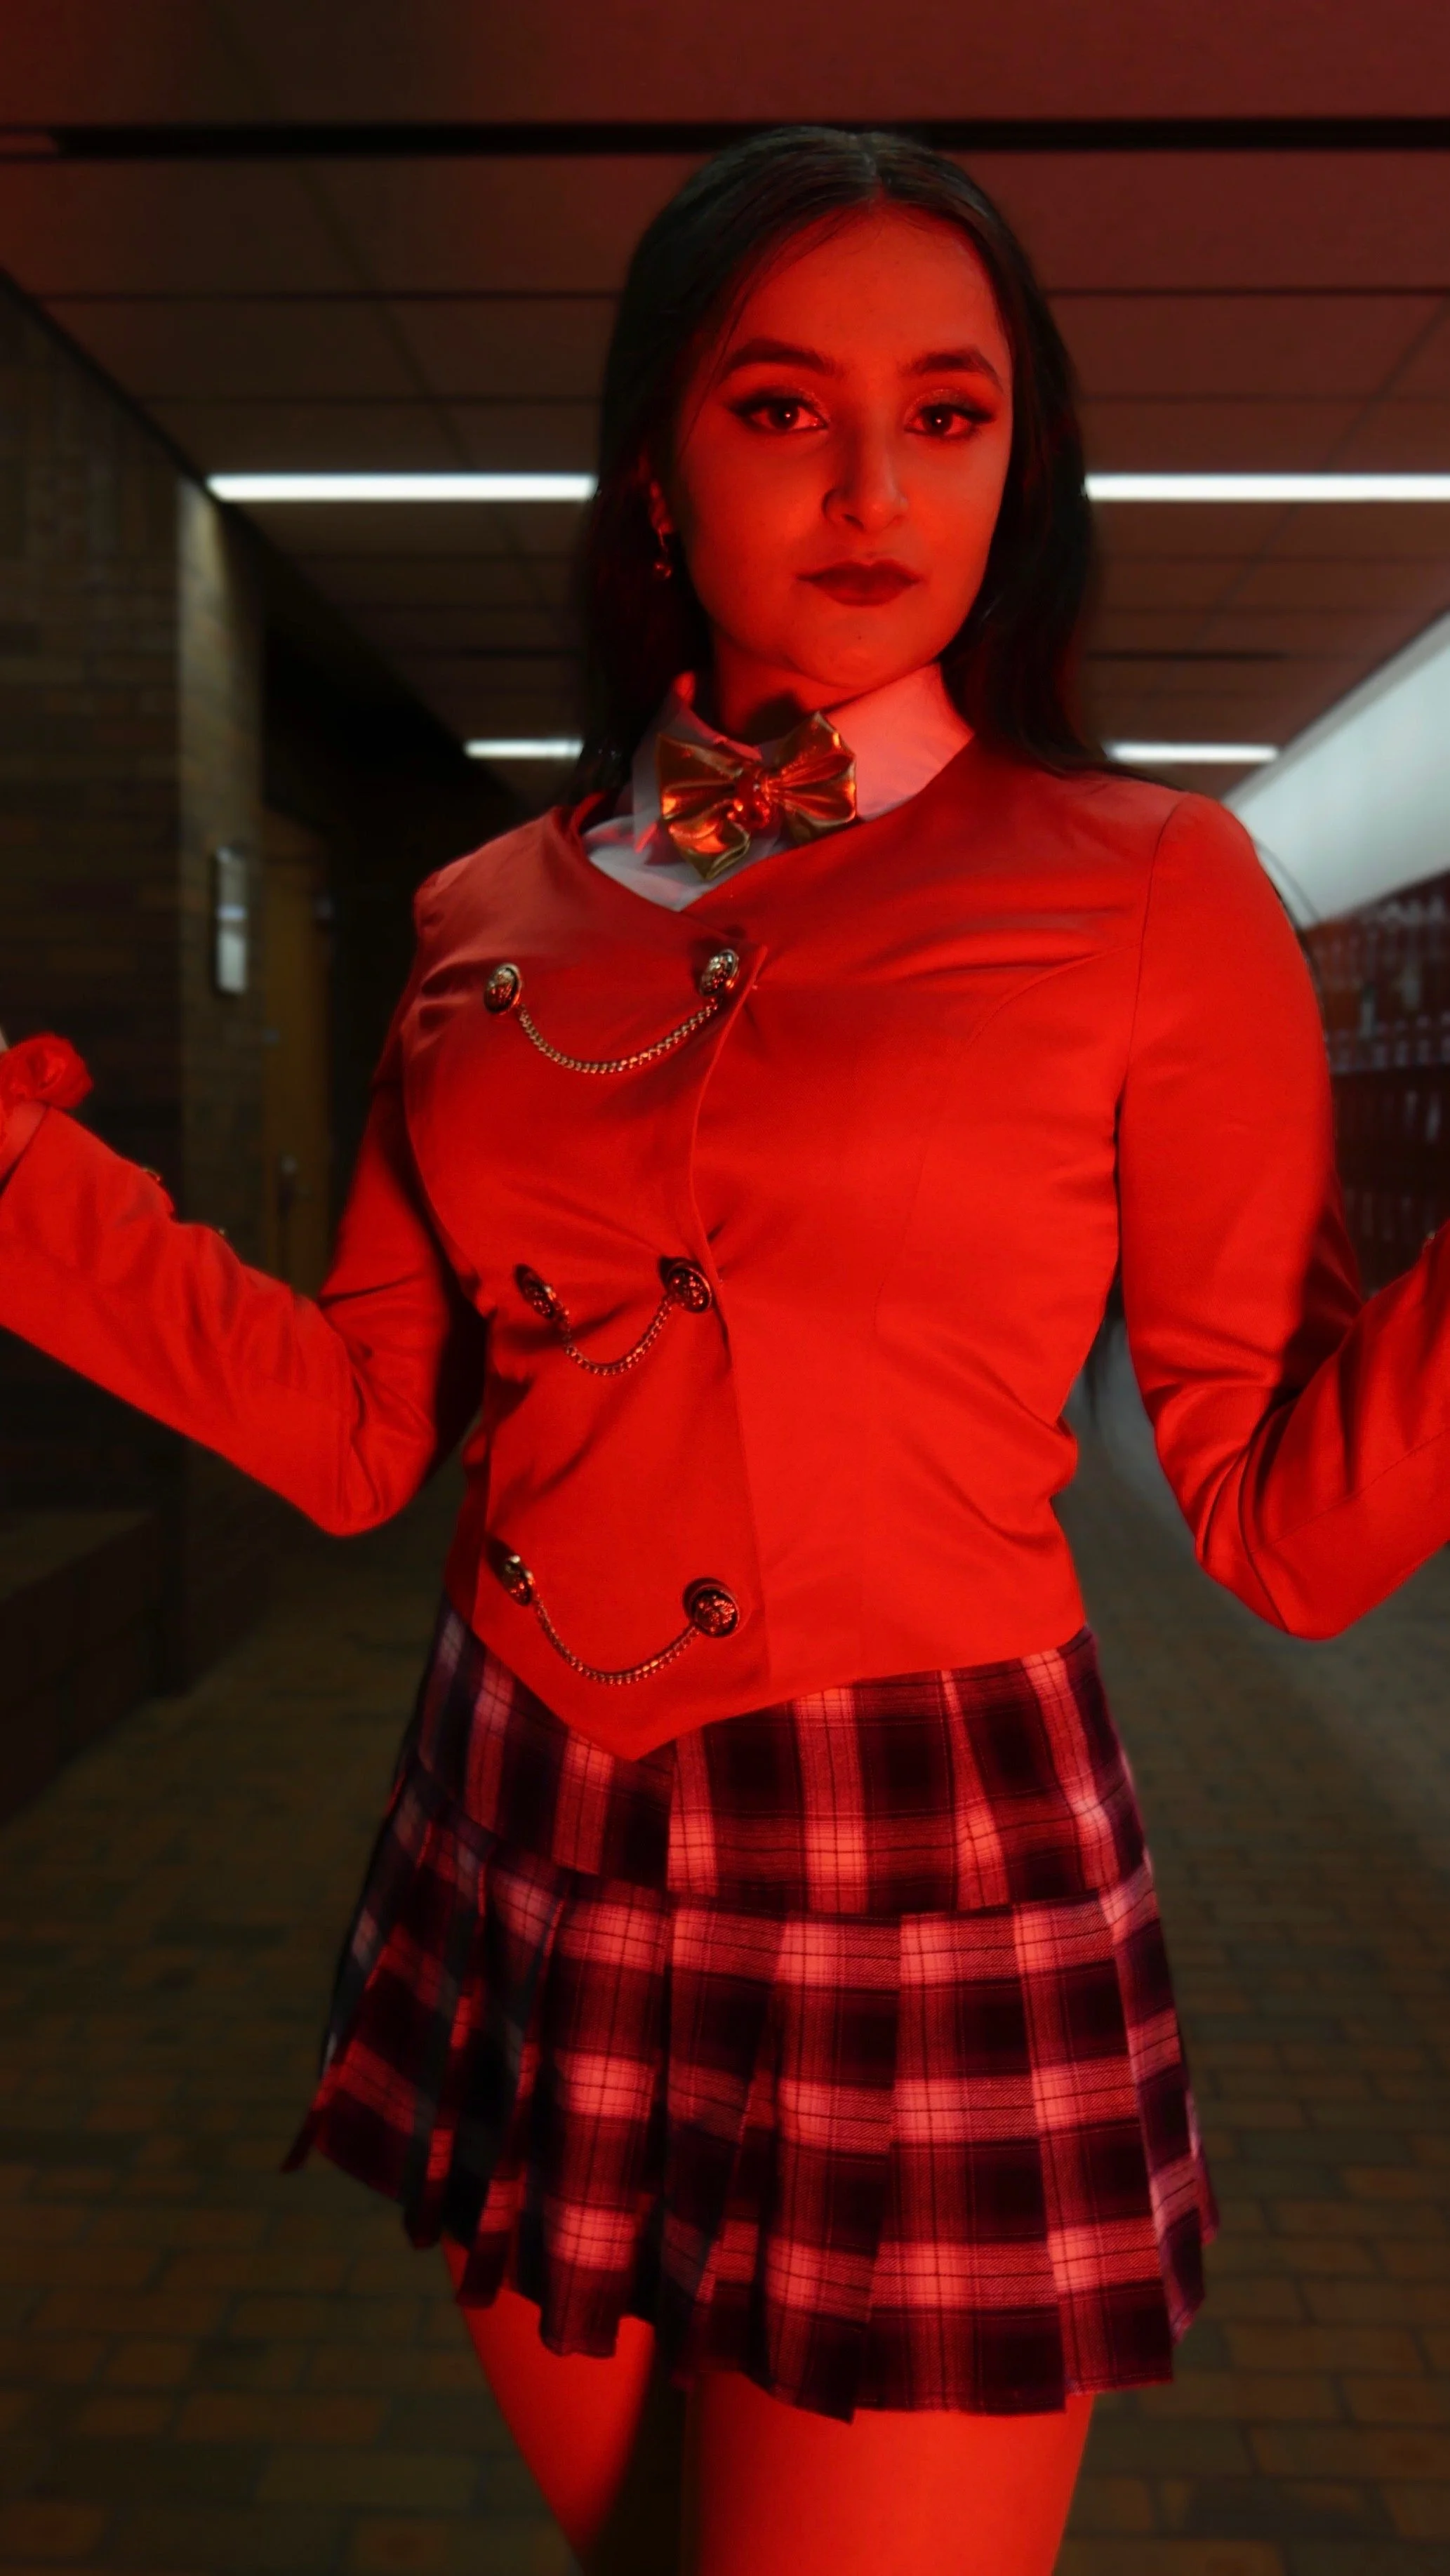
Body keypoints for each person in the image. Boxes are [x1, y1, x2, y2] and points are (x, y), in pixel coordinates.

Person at [0, 125, 1444, 2576]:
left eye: (950, 413)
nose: (877, 482)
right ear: (657, 472)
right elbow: (357, 1428)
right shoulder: (483, 908)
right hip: (511, 1829)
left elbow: (1282, 1522)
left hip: (922, 1859)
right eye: (786, 407)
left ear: (1019, 468)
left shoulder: (1149, 889)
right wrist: (25, 1196)